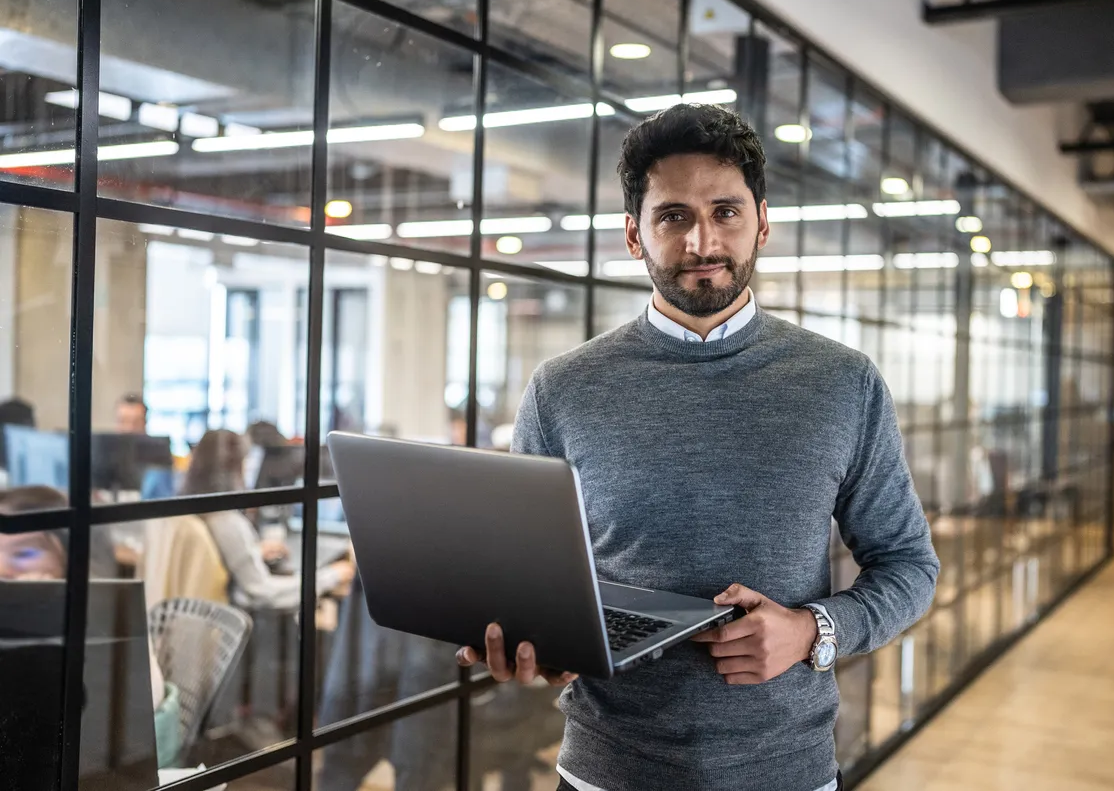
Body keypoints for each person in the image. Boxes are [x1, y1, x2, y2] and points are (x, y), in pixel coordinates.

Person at [456, 104, 940, 790]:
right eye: (673, 216)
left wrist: (812, 629)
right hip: (605, 772)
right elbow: (526, 581)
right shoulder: (561, 389)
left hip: (785, 774)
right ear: (634, 234)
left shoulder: (842, 382)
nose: (701, 241)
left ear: (762, 223)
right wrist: (536, 644)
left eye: (725, 211)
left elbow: (909, 565)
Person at [0, 486, 183, 767]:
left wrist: (43, 615)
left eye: (24, 554)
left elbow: (132, 730)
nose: (3, 568)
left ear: (70, 557)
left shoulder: (107, 618)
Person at [183, 429, 353, 610]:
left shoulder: (195, 508)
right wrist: (331, 576)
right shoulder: (227, 521)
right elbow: (262, 592)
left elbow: (217, 560)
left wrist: (254, 551)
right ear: (235, 466)